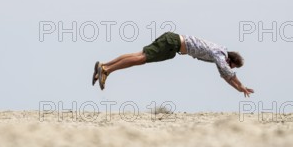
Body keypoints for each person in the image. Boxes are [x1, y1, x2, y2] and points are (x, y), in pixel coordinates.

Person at [92, 32, 254, 97]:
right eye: (233, 66)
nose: (231, 68)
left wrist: (239, 87)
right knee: (141, 59)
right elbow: (227, 75)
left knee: (139, 55)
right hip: (173, 44)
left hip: (172, 41)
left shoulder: (220, 50)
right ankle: (107, 70)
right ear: (230, 61)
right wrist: (241, 87)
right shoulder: (220, 54)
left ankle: (104, 65)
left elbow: (227, 74)